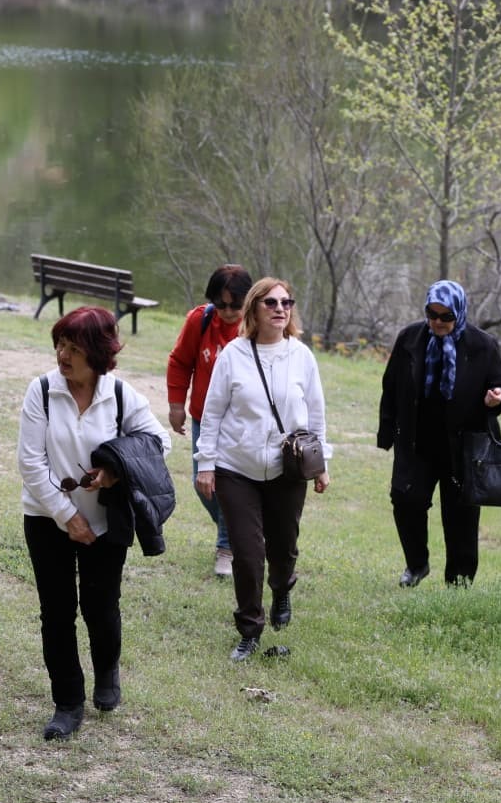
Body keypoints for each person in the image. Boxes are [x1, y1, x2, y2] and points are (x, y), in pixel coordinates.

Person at [17, 306, 171, 740]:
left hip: (106, 522)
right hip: (46, 518)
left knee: (101, 608)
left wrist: (116, 470)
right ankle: (67, 703)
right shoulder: (42, 391)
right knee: (57, 612)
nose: (63, 355)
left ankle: (107, 671)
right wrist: (67, 516)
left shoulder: (120, 394)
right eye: (60, 345)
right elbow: (30, 463)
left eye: (74, 348)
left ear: (99, 354)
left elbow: (159, 442)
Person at [195, 278, 330, 661]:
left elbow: (316, 413)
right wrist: (206, 464)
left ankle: (282, 588)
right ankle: (250, 629)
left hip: (287, 469)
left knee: (283, 547)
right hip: (236, 468)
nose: (280, 309)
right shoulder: (233, 355)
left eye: (286, 302)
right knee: (247, 553)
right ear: (254, 308)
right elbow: (213, 412)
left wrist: (322, 464)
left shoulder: (301, 356)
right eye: (271, 302)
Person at [376, 279, 501, 587]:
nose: (437, 322)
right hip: (417, 443)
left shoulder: (482, 345)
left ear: (459, 313)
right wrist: (386, 432)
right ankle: (417, 565)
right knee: (405, 500)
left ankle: (459, 583)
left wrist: (498, 399)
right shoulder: (410, 339)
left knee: (461, 516)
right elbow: (391, 386)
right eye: (431, 314)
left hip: (463, 448)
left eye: (446, 316)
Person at [166, 264, 253, 578]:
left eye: (235, 305)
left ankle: (227, 547)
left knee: (229, 484)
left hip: (242, 422)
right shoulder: (200, 320)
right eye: (221, 304)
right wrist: (176, 405)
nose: (228, 312)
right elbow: (180, 362)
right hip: (204, 417)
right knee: (201, 482)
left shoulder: (257, 326)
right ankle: (244, 534)